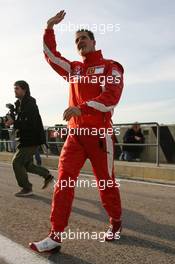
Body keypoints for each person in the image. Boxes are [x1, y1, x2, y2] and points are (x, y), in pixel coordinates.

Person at [29, 10, 124, 252]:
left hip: (100, 135)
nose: (80, 41)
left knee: (106, 183)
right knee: (63, 183)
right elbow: (51, 56)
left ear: (93, 41)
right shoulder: (74, 69)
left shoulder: (110, 66)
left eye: (84, 37)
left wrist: (81, 109)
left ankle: (115, 222)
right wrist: (49, 27)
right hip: (75, 136)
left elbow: (111, 98)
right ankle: (55, 236)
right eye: (76, 40)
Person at [6, 80, 54, 197]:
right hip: (24, 138)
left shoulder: (30, 104)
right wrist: (10, 116)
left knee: (17, 162)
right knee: (27, 165)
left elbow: (29, 123)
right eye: (14, 88)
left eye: (17, 88)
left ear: (24, 90)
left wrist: (14, 122)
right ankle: (47, 175)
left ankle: (27, 188)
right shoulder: (19, 104)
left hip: (31, 139)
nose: (15, 91)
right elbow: (18, 117)